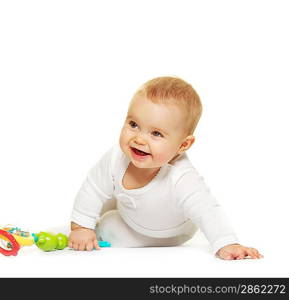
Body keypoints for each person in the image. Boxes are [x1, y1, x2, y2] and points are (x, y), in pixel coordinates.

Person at [68, 76, 263, 260]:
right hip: (131, 209)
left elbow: (207, 210)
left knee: (110, 225)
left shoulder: (181, 177)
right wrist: (80, 227)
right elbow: (92, 188)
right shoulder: (115, 158)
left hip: (168, 232)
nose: (139, 139)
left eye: (156, 134)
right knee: (101, 197)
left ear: (183, 145)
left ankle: (96, 229)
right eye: (134, 124)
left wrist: (227, 243)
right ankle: (83, 226)